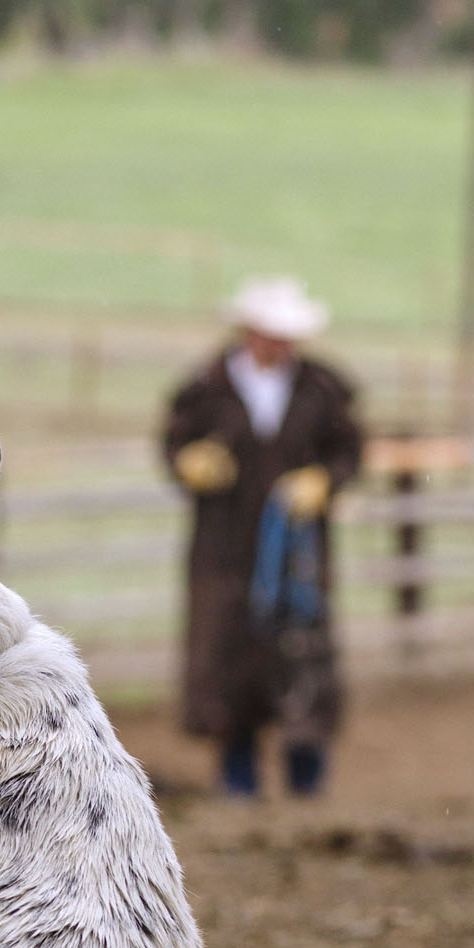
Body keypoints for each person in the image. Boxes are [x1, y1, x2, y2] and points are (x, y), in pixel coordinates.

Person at [161, 276, 363, 798]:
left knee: (301, 652)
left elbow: (348, 451)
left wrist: (324, 480)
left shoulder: (322, 390)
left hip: (298, 553)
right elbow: (174, 442)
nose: (279, 345)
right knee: (230, 660)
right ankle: (238, 780)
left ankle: (307, 782)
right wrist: (190, 462)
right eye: (270, 333)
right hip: (223, 550)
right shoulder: (206, 388)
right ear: (248, 331)